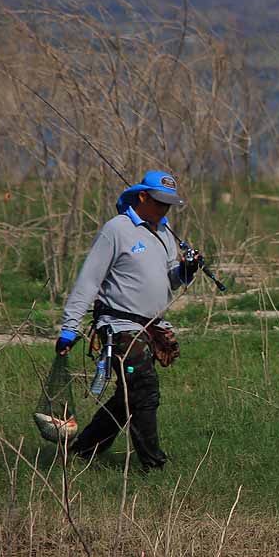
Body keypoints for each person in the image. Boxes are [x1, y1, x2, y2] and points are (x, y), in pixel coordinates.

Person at [54, 170, 200, 469]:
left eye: (169, 205)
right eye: (160, 203)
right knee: (144, 390)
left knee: (128, 397)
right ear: (143, 197)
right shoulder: (117, 229)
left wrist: (186, 270)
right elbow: (88, 281)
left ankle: (84, 450)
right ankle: (154, 465)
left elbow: (169, 280)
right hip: (119, 326)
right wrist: (70, 327)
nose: (164, 210)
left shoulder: (165, 233)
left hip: (151, 326)